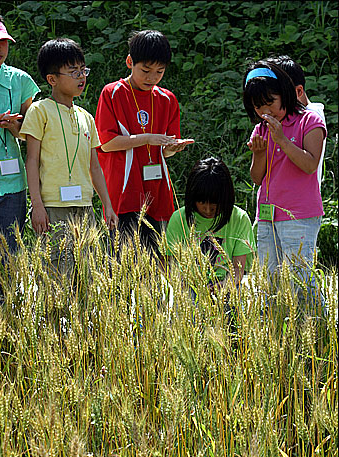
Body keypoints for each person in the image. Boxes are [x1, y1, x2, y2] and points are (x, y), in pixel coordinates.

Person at [20, 38, 118, 271]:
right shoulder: (40, 110)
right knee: (57, 273)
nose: (81, 76)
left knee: (88, 272)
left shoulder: (86, 117)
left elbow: (95, 167)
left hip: (84, 206)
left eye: (83, 70)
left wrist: (107, 205)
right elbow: (32, 160)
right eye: (73, 72)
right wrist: (37, 205)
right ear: (52, 79)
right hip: (53, 206)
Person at [95, 29, 194, 252]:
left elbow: (165, 151)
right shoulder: (113, 93)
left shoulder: (167, 99)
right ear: (130, 62)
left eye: (159, 72)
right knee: (123, 263)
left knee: (155, 262)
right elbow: (107, 143)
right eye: (146, 70)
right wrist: (147, 138)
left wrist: (172, 148)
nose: (152, 78)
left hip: (157, 192)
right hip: (123, 192)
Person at [243, 59, 326, 305]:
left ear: (285, 94)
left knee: (299, 279)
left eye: (270, 103)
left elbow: (310, 165)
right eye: (258, 107)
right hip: (268, 215)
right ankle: (278, 332)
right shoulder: (261, 129)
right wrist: (259, 154)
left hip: (299, 215)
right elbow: (257, 178)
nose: (265, 111)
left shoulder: (310, 121)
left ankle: (317, 329)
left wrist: (282, 140)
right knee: (269, 279)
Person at [164, 157, 255, 290]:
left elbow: (238, 268)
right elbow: (168, 262)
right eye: (202, 203)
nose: (208, 209)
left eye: (214, 203)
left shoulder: (239, 218)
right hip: (189, 285)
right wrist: (182, 285)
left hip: (226, 284)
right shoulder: (179, 219)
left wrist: (224, 286)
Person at [0, 10, 40, 253]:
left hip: (10, 182)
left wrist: (14, 127)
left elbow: (30, 134)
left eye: (3, 42)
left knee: (8, 257)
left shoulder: (20, 81)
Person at [268, 55, 326, 190]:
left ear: (298, 91)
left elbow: (310, 165)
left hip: (302, 203)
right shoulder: (283, 116)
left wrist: (282, 140)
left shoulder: (312, 117)